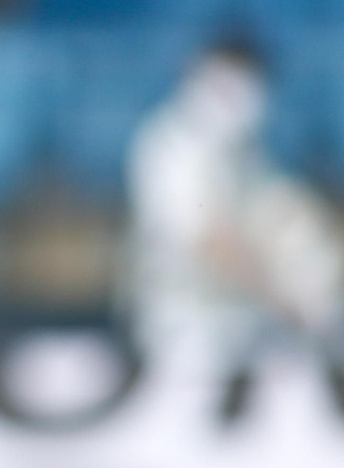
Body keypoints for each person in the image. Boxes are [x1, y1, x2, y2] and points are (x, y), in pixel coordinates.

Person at [126, 38, 343, 392]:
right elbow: (211, 242)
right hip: (185, 321)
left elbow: (282, 219)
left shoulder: (243, 150)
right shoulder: (170, 144)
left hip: (248, 316)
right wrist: (286, 302)